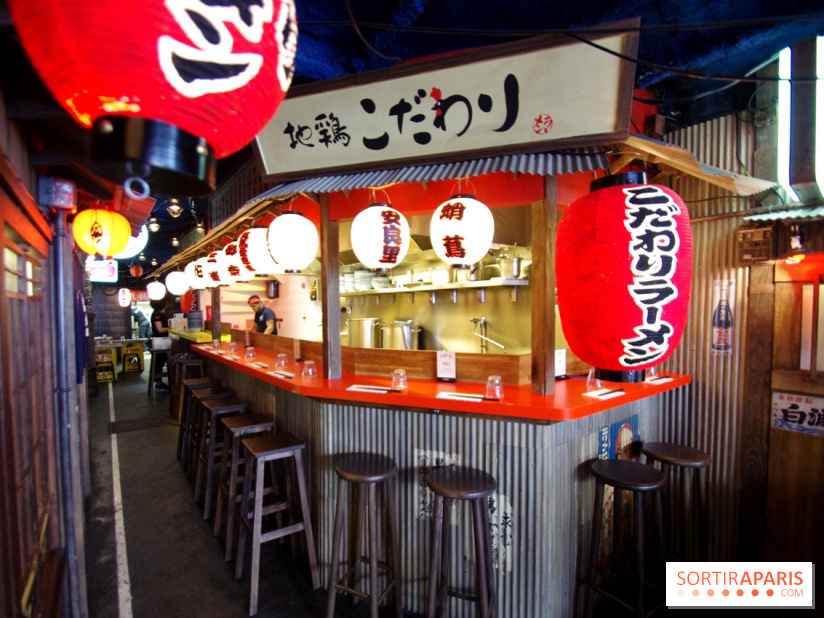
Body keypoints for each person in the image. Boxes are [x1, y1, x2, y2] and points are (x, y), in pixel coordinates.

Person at [150, 298, 171, 392]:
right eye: (166, 302)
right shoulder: (157, 314)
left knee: (160, 362)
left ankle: (160, 384)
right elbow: (160, 329)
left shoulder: (159, 313)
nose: (167, 304)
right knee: (159, 362)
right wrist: (171, 328)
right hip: (159, 342)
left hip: (161, 342)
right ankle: (159, 385)